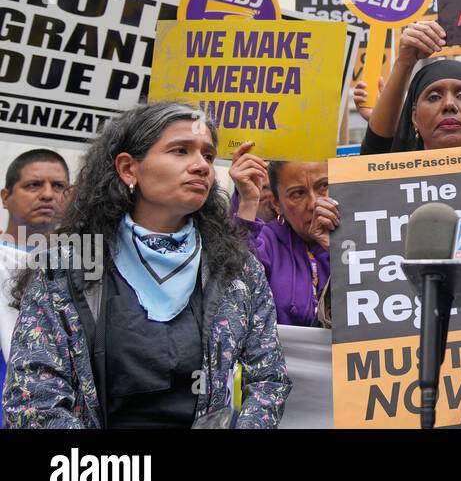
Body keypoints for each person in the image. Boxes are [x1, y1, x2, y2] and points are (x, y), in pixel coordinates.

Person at [3, 102, 289, 428]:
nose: (201, 166)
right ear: (128, 168)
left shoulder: (236, 269)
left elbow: (269, 378)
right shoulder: (67, 266)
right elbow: (33, 397)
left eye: (208, 156)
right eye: (180, 151)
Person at [230, 150, 339, 327]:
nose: (314, 203)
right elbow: (234, 290)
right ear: (277, 204)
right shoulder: (265, 242)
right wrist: (247, 201)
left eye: (324, 186)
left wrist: (337, 250)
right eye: (297, 194)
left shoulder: (363, 238)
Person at [1, 149, 70, 403]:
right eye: (33, 185)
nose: (48, 194)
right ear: (5, 197)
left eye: (59, 186)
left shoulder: (83, 264)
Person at [359, 20, 461, 154]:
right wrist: (405, 62)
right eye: (434, 97)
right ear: (414, 117)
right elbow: (377, 145)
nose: (449, 104)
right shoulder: (386, 171)